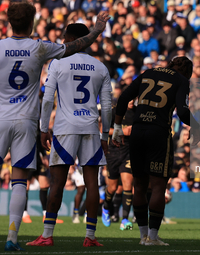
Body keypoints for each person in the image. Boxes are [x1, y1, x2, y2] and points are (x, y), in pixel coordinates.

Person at [1, 2, 108, 251]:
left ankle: (43, 234)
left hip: (3, 117)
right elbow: (75, 46)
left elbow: (50, 95)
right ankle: (12, 238)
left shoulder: (0, 47)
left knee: (51, 181)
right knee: (20, 181)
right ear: (32, 23)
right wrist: (97, 30)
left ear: (9, 23)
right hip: (28, 122)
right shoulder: (41, 47)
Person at [25, 23, 112, 247]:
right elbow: (108, 106)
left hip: (65, 129)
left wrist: (44, 128)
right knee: (93, 184)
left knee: (58, 183)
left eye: (65, 37)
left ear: (73, 38)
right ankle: (90, 237)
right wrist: (104, 136)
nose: (63, 41)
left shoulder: (58, 63)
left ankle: (47, 235)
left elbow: (47, 99)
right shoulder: (100, 67)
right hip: (91, 128)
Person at [112, 56, 200, 246]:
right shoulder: (181, 80)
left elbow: (124, 97)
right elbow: (183, 112)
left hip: (137, 132)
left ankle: (143, 236)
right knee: (159, 186)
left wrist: (117, 127)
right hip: (158, 133)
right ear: (187, 72)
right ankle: (152, 237)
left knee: (140, 185)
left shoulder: (148, 73)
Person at [102, 99, 135, 230]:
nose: (132, 101)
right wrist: (122, 131)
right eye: (130, 99)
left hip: (129, 153)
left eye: (135, 99)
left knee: (128, 185)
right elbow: (102, 129)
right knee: (113, 187)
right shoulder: (114, 111)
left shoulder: (138, 113)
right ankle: (105, 208)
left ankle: (125, 220)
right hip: (113, 152)